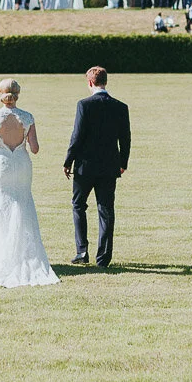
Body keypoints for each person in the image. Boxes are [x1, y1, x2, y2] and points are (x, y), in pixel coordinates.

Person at [0, 79, 59, 288]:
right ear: (17, 95)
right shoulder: (27, 117)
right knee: (22, 205)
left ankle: (2, 257)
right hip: (21, 165)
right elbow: (35, 149)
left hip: (2, 165)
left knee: (0, 209)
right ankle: (23, 256)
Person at [63, 67, 131, 268]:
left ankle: (82, 251)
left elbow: (77, 136)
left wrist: (68, 161)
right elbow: (125, 138)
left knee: (78, 205)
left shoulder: (84, 105)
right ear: (105, 82)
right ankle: (103, 258)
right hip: (110, 166)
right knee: (106, 210)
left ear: (90, 82)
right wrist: (122, 163)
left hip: (85, 166)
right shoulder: (121, 106)